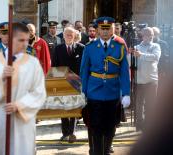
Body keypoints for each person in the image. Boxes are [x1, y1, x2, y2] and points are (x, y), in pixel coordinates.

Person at [0, 22, 46, 155]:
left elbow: (39, 92)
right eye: (21, 40)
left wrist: (20, 105)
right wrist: (1, 79)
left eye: (27, 40)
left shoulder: (32, 63)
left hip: (22, 121)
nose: (25, 44)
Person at [80, 16, 130, 155]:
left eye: (109, 29)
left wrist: (126, 93)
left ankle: (106, 151)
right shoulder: (90, 47)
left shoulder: (119, 47)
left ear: (114, 29)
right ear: (97, 30)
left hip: (113, 92)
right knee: (95, 126)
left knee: (110, 126)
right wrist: (83, 91)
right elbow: (84, 71)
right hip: (94, 92)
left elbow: (124, 71)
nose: (106, 32)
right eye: (103, 29)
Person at [53, 27, 84, 143]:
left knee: (74, 108)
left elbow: (84, 66)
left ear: (75, 36)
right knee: (64, 108)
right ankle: (65, 133)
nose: (69, 36)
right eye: (67, 34)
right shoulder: (58, 49)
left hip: (76, 83)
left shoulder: (81, 48)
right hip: (63, 83)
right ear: (63, 36)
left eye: (71, 34)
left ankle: (72, 132)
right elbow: (54, 67)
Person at [130, 27, 161, 131]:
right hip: (139, 80)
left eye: (151, 35)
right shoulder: (136, 47)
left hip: (152, 80)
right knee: (138, 104)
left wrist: (141, 55)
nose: (150, 37)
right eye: (147, 35)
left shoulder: (156, 46)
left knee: (150, 103)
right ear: (142, 36)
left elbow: (155, 57)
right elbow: (129, 63)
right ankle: (139, 124)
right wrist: (130, 54)